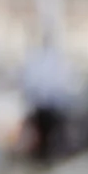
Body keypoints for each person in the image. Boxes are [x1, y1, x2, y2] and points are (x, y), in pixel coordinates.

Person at [18, 28, 75, 165]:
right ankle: (42, 154)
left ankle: (47, 153)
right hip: (41, 102)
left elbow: (59, 80)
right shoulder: (38, 57)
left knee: (49, 131)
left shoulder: (54, 58)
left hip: (50, 103)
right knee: (42, 130)